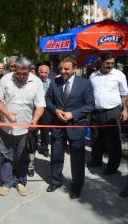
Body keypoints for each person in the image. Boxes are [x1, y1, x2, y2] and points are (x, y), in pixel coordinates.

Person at [45, 57, 95, 199]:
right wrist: (55, 110)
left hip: (76, 126)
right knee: (56, 155)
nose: (63, 71)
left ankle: (77, 186)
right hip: (58, 126)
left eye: (66, 69)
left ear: (74, 68)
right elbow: (47, 99)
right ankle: (56, 181)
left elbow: (90, 105)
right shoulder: (55, 82)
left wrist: (73, 114)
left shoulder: (85, 83)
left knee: (77, 159)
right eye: (61, 68)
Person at [0, 57, 45, 196]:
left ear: (29, 70)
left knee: (24, 156)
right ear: (14, 69)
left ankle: (20, 182)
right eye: (18, 73)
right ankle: (7, 182)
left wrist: (35, 120)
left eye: (25, 73)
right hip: (6, 127)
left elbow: (40, 105)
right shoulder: (5, 79)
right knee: (6, 156)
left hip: (26, 129)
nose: (21, 76)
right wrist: (5, 113)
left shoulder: (36, 82)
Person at [87, 52, 128, 175]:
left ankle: (112, 165)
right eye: (107, 63)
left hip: (112, 111)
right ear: (101, 62)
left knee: (113, 140)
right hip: (95, 111)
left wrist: (125, 110)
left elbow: (124, 94)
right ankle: (96, 160)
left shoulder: (119, 75)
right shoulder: (93, 75)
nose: (110, 65)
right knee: (95, 137)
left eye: (112, 63)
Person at [26, 64, 51, 177]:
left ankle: (44, 147)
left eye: (46, 72)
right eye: (41, 72)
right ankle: (31, 161)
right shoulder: (32, 82)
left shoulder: (52, 83)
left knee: (45, 132)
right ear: (38, 72)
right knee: (32, 136)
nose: (43, 74)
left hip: (46, 111)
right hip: (33, 112)